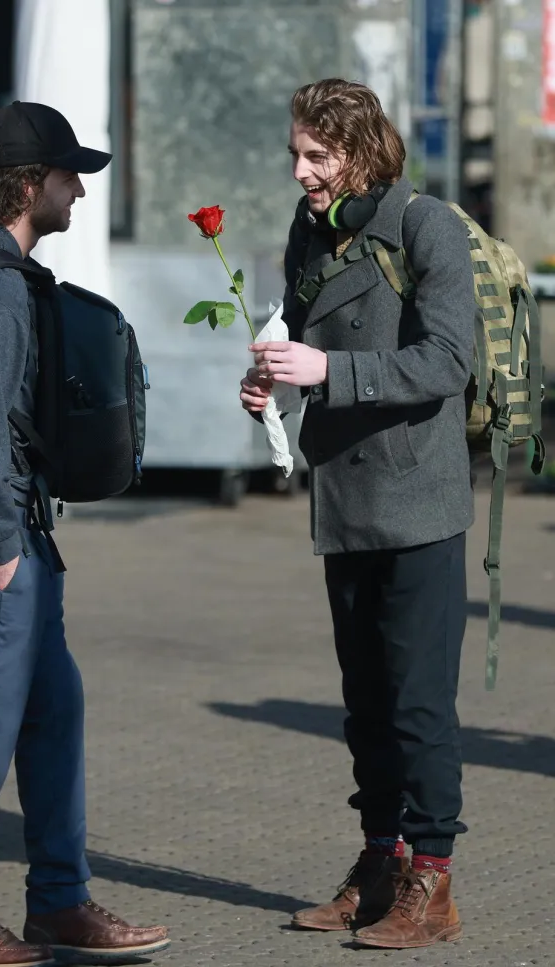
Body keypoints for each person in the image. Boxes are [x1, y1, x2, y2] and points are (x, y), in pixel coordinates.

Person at [0, 102, 169, 967]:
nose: (79, 193)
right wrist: (2, 549)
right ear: (29, 186)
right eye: (70, 178)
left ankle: (59, 900)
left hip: (17, 532)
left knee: (53, 710)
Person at [240, 79, 476, 950]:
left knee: (419, 705)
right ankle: (379, 863)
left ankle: (434, 884)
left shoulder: (427, 227)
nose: (299, 170)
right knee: (366, 703)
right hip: (344, 494)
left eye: (315, 155)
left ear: (359, 150)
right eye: (296, 153)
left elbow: (445, 361)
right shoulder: (316, 231)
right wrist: (266, 378)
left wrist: (329, 373)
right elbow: (298, 331)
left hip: (418, 498)